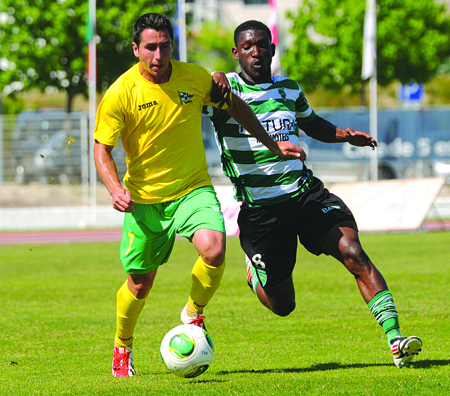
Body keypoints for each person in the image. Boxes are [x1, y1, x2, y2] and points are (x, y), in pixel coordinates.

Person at [93, 13, 304, 377]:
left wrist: (271, 144)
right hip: (145, 201)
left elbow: (236, 104)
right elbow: (101, 147)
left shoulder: (195, 76)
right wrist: (115, 188)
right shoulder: (120, 92)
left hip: (192, 189)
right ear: (136, 49)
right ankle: (122, 347)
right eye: (150, 48)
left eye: (165, 46)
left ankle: (193, 312)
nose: (159, 55)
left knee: (215, 249)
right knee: (140, 285)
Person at [205, 20, 422, 369]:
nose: (256, 52)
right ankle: (254, 273)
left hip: (305, 195)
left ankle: (396, 339)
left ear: (272, 50)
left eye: (262, 45)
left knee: (353, 251)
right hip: (261, 211)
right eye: (248, 47)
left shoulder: (289, 89)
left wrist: (343, 134)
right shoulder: (223, 91)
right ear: (236, 53)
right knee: (283, 305)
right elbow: (201, 85)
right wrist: (213, 76)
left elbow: (312, 123)